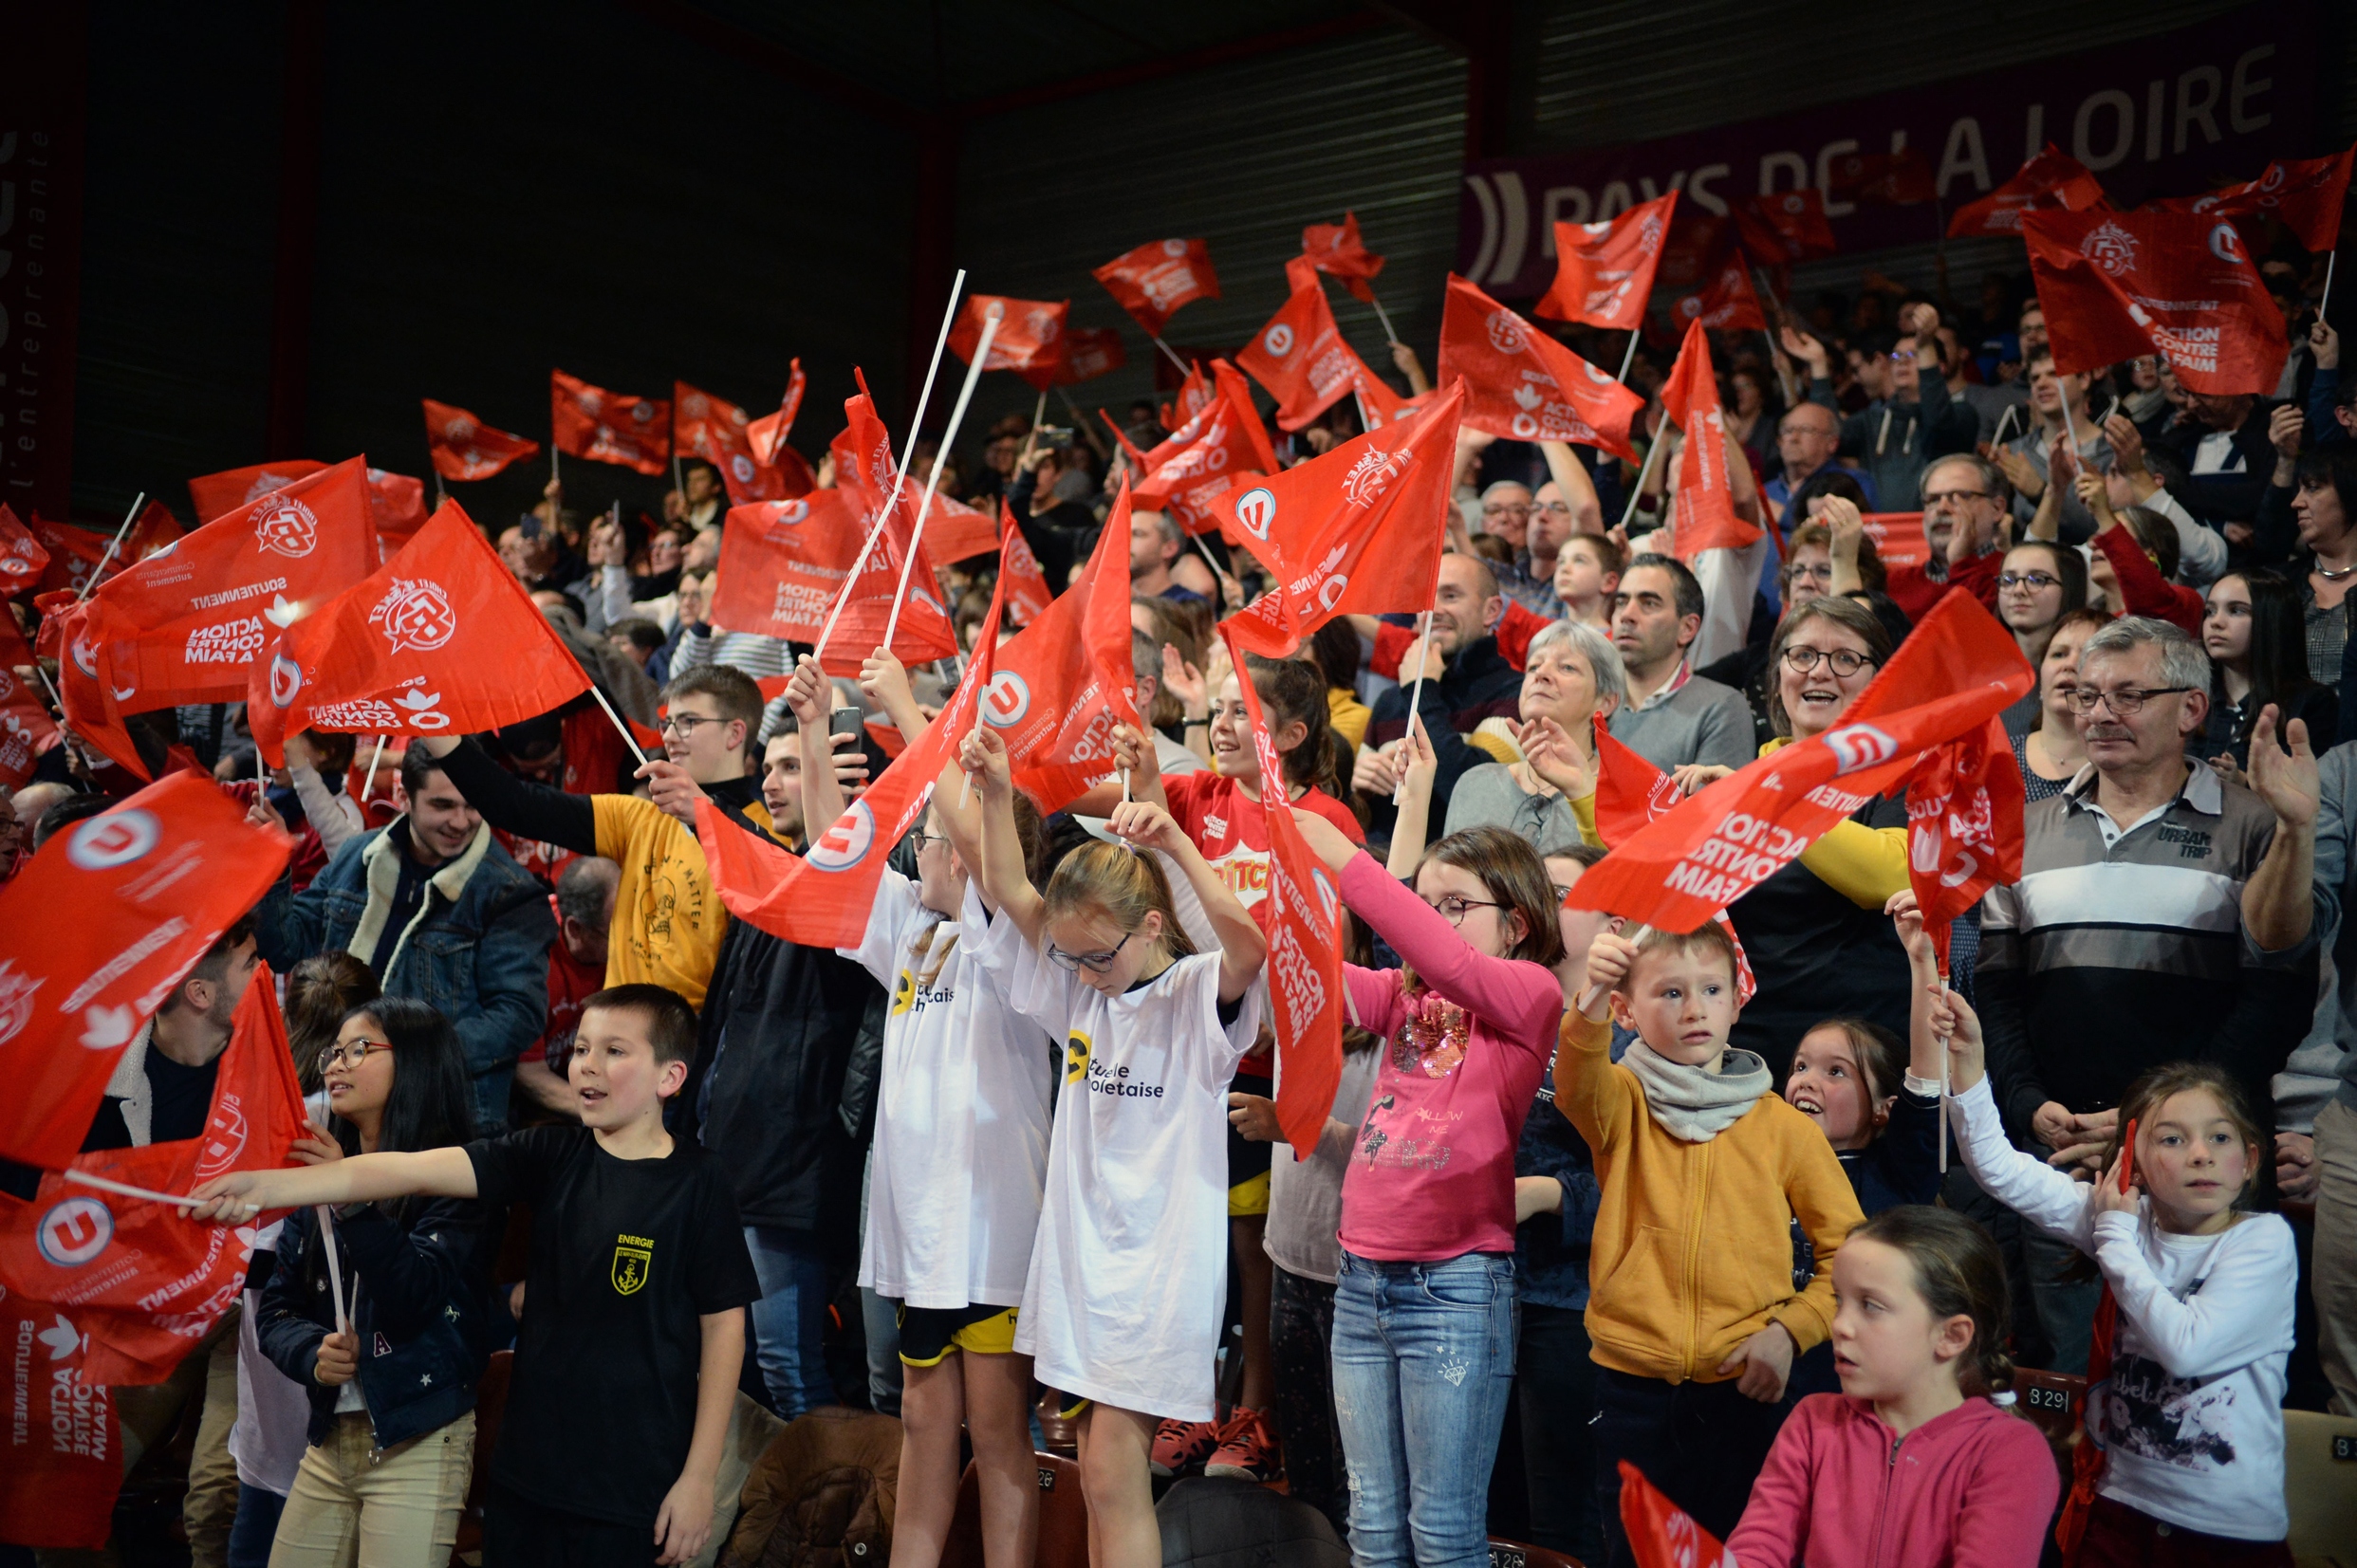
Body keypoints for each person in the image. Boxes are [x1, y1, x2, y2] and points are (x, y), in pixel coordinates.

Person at [193, 985, 761, 1568]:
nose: (588, 1065)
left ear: (670, 1078)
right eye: (582, 1047)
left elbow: (724, 1330)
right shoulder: (549, 1154)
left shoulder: (699, 1181)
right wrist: (265, 1186)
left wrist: (698, 1478)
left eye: (615, 1051)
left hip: (635, 1483)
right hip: (528, 1479)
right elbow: (405, 1170)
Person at [1977, 617, 2319, 1374]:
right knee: (2064, 1380)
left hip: (2203, 1163)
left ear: (2192, 708)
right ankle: (2069, 1495)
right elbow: (1995, 990)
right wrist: (2029, 1099)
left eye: (2129, 695)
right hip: (2064, 1154)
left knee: (2197, 1385)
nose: (2099, 713)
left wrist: (2149, 1120)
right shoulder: (2022, 830)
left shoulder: (2256, 824)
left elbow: (2279, 1001)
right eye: (2087, 694)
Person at [958, 728, 1267, 1568]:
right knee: (1095, 1473)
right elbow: (1005, 886)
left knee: (1108, 1467)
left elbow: (1249, 944)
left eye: (1098, 955)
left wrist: (1172, 835)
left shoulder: (1192, 997)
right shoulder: (1082, 989)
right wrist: (993, 788)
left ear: (1152, 926)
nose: (1081, 972)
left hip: (1154, 1274)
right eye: (1069, 956)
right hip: (1083, 1265)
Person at [1069, 655, 1359, 1484]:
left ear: (1295, 735)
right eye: (1219, 709)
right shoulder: (1200, 796)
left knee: (1257, 1249)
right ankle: (1192, 1399)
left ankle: (1256, 1411)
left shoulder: (1325, 813)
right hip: (1200, 1052)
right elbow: (1097, 801)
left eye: (1245, 712)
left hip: (1280, 1060)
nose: (1223, 724)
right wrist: (1134, 762)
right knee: (1205, 1234)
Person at [803, 668, 1053, 1568]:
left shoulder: (1014, 940)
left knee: (997, 1435)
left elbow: (991, 864)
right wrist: (812, 728)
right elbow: (836, 853)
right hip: (917, 1233)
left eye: (938, 836)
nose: (920, 846)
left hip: (991, 1235)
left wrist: (913, 715)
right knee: (917, 1421)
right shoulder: (916, 924)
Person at [1279, 811, 1565, 1568]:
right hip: (1359, 1282)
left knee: (1442, 1536)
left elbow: (1455, 966)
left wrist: (1347, 859)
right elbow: (1289, 968)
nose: (1431, 922)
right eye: (1424, 900)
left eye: (1454, 904)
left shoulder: (1531, 995)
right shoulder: (1402, 999)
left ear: (1518, 922)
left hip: (1455, 1288)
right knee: (1371, 1531)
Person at [1939, 1002, 2298, 1564]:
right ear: (2134, 1160)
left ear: (2251, 1161)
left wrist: (2113, 1234)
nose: (2200, 1154)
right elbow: (1997, 1168)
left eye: (2220, 1138)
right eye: (2172, 1140)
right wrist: (1969, 1064)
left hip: (2225, 1533)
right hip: (2120, 1513)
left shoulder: (2262, 1241)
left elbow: (2186, 1348)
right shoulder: (2127, 1221)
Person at [1562, 925, 1864, 1566]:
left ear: (1737, 998)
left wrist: (1789, 1331)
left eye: (1711, 989)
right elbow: (1577, 1082)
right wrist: (1588, 996)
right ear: (1626, 1009)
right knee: (1631, 1555)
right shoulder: (1621, 1102)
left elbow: (1854, 1257)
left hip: (1743, 1391)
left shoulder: (1785, 1127)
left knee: (1738, 1554)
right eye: (1670, 992)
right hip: (1632, 1390)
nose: (1695, 1008)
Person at [257, 999, 491, 1568]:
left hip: (419, 1439)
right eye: (334, 1052)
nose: (335, 1064)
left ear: (415, 1063)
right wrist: (312, 1352)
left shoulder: (461, 1173)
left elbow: (415, 1293)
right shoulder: (318, 1171)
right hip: (329, 1441)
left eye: (359, 1050)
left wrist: (352, 1200)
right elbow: (277, 1309)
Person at [1726, 1207, 2060, 1568]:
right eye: (1840, 1300)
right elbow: (1757, 1549)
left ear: (1951, 1336)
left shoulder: (2010, 1452)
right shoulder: (1812, 1421)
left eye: (1871, 1306)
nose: (1840, 1325)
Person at [420, 667, 771, 1007]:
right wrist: (429, 722)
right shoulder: (638, 817)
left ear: (735, 733)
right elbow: (514, 805)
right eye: (667, 722)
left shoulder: (768, 839)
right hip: (618, 1030)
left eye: (689, 722)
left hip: (692, 1048)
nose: (669, 736)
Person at [249, 745, 555, 1135]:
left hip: (441, 1119)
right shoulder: (355, 858)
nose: (461, 821)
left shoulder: (511, 893)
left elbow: (517, 1015)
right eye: (443, 806)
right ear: (404, 799)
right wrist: (273, 865)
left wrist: (405, 1059)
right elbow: (285, 949)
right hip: (336, 1104)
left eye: (473, 805)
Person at [1364, 552, 1530, 822]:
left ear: (1491, 611)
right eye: (1424, 600)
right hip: (1378, 860)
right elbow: (1359, 817)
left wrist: (1423, 689)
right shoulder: (1391, 699)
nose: (1434, 610)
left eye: (1450, 596)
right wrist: (1360, 788)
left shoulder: (1516, 694)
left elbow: (1472, 794)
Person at [1442, 620, 1624, 855]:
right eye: (1533, 667)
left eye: (1567, 667)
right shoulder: (1475, 783)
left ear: (1606, 702)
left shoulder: (1622, 795)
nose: (1542, 674)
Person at [1603, 554, 1754, 771]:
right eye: (1621, 602)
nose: (1627, 615)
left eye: (1649, 604)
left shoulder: (1720, 708)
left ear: (1687, 629)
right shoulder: (1587, 697)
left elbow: (1711, 804)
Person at [2199, 570, 2338, 778]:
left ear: (2273, 620)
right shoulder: (2191, 697)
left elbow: (2312, 795)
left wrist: (2245, 785)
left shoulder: (2312, 704)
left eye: (2236, 610)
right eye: (2210, 611)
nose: (2215, 622)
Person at [515, 857, 621, 1124]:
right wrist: (613, 1111)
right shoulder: (528, 957)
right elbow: (528, 1074)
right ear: (575, 929)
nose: (632, 941)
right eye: (617, 933)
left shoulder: (628, 948)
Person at [1869, 460, 2007, 623]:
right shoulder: (1894, 583)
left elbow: (1979, 635)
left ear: (1997, 509)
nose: (1942, 508)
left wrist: (1962, 562)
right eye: (1933, 499)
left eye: (1960, 496)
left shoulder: (2012, 577)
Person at [2009, 607, 2108, 801]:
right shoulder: (2000, 759)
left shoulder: (2120, 769)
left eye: (2087, 656)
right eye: (2058, 654)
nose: (2069, 664)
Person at [1550, 530, 1622, 631]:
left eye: (1579, 560)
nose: (1564, 569)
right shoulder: (1544, 632)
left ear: (1608, 582)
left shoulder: (1614, 643)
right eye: (1561, 562)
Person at [1128, 508, 1202, 603]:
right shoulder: (1112, 598)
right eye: (1125, 534)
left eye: (1138, 534)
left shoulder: (1186, 605)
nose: (1126, 540)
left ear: (1169, 549)